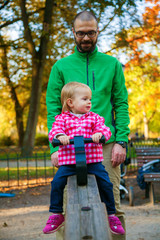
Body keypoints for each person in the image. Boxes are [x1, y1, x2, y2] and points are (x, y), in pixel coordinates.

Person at [46, 10, 130, 240]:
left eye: (90, 32)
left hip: (104, 145)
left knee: (112, 203)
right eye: (81, 33)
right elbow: (53, 109)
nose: (85, 38)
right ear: (73, 33)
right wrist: (54, 147)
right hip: (68, 146)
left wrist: (121, 141)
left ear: (97, 32)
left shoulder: (111, 64)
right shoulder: (60, 67)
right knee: (68, 205)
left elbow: (121, 104)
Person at [43, 82, 125, 235]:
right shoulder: (62, 119)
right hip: (69, 161)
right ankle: (56, 214)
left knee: (106, 183)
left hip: (92, 161)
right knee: (56, 183)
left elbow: (105, 129)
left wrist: (99, 135)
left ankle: (111, 215)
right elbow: (54, 130)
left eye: (90, 99)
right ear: (70, 102)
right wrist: (60, 136)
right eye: (85, 99)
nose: (89, 102)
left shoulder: (94, 118)